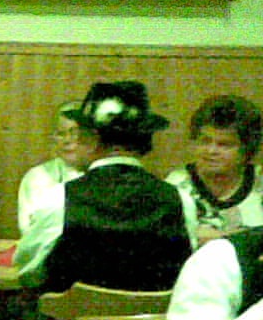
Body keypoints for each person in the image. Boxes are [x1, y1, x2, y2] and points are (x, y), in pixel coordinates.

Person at [15, 80, 196, 292]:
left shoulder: (60, 198)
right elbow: (186, 271)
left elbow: (28, 270)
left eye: (79, 135)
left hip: (73, 313)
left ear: (91, 140)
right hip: (155, 314)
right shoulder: (180, 200)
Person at [166, 94, 263, 245]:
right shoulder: (173, 189)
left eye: (224, 144)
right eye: (205, 141)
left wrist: (221, 238)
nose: (211, 151)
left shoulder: (260, 186)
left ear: (246, 150)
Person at [17, 101, 87, 236]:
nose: (67, 140)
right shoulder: (36, 177)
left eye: (74, 133)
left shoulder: (106, 174)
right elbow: (27, 230)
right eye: (60, 134)